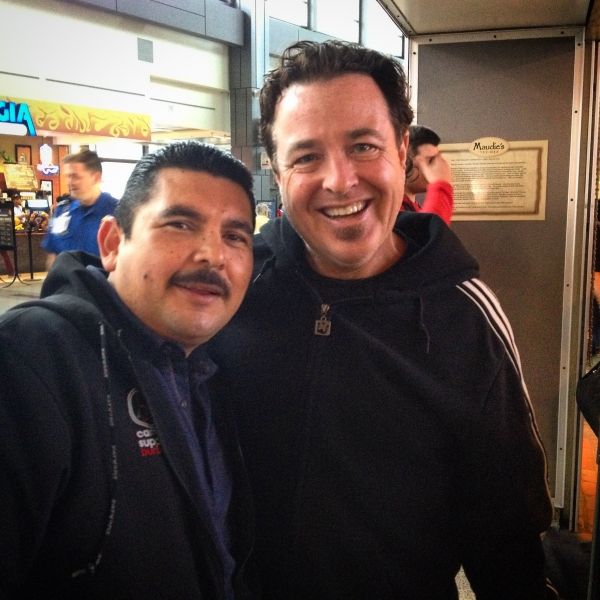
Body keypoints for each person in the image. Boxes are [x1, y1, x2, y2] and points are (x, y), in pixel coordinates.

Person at [208, 40, 554, 599]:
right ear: (277, 170)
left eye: (363, 146)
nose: (340, 180)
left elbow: (506, 532)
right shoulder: (234, 288)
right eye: (306, 156)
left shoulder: (464, 316)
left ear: (402, 148)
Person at [0, 141, 258, 599]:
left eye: (235, 236)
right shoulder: (32, 359)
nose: (213, 255)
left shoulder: (218, 369)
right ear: (112, 243)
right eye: (180, 224)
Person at [42, 149, 119, 269]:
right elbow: (52, 255)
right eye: (68, 176)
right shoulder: (62, 212)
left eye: (76, 176)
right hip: (66, 281)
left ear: (96, 177)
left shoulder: (117, 212)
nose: (70, 182)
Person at [403, 124, 454, 225]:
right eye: (430, 161)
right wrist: (441, 185)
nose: (437, 168)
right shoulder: (390, 208)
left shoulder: (414, 208)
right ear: (404, 161)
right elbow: (429, 232)